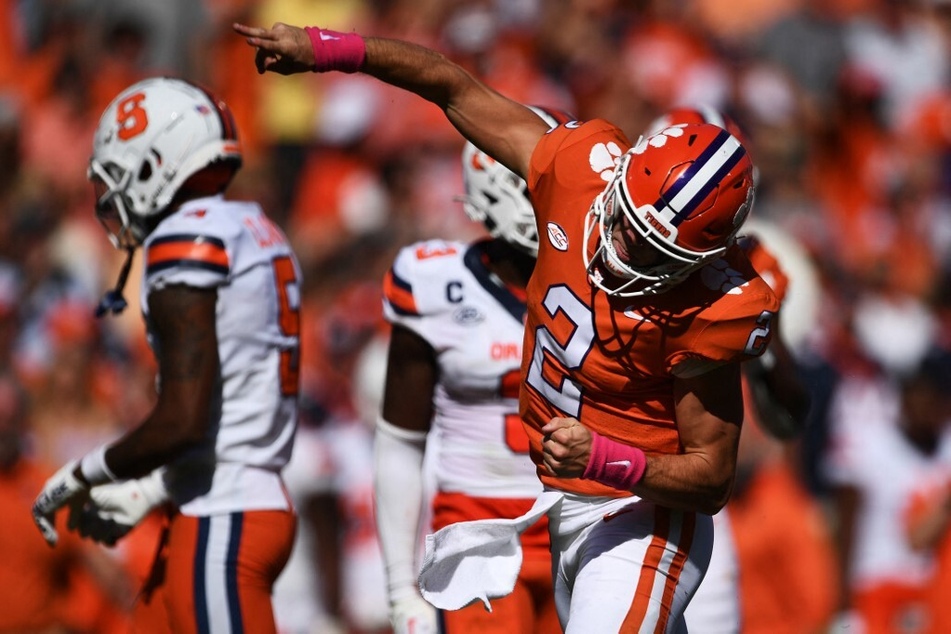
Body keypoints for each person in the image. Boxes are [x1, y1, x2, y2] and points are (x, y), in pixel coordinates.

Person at [232, 22, 779, 632]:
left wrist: (607, 458)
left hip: (641, 516)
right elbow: (452, 86)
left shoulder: (714, 306)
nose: (622, 248)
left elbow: (711, 478)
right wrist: (333, 50)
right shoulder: (578, 171)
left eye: (651, 249)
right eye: (624, 220)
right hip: (554, 508)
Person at [30, 76, 302, 634]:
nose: (115, 197)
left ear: (157, 164)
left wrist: (86, 472)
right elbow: (229, 408)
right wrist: (153, 488)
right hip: (225, 501)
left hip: (223, 516)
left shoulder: (186, 237)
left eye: (121, 177)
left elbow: (183, 419)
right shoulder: (255, 226)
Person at [375, 109, 567, 634]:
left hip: (580, 525)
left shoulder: (602, 282)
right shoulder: (435, 282)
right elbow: (400, 439)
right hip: (477, 532)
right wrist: (400, 587)